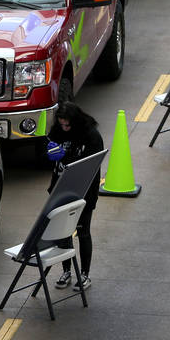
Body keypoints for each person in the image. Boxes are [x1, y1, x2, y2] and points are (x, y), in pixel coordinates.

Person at [45, 102, 104, 291]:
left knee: (83, 232)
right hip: (60, 190)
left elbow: (87, 167)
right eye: (61, 124)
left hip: (83, 193)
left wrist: (64, 157)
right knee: (63, 233)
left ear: (76, 121)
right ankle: (67, 270)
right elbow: (48, 144)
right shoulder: (59, 130)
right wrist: (48, 151)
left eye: (67, 125)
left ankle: (84, 274)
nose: (64, 128)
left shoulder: (91, 136)